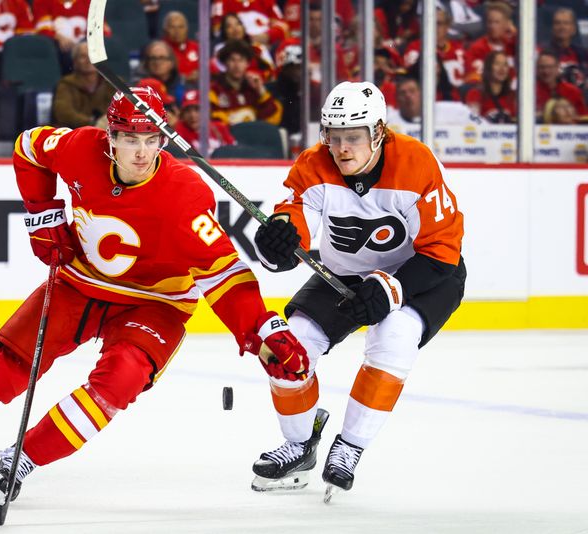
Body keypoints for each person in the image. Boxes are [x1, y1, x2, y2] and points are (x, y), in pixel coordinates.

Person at [0, 86, 310, 504]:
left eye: (150, 139)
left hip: (156, 304)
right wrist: (42, 216)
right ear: (109, 135)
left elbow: (226, 274)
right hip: (78, 284)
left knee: (117, 382)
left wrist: (262, 328)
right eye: (128, 138)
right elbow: (28, 148)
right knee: (0, 372)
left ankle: (23, 460)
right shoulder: (80, 147)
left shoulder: (186, 196)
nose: (140, 151)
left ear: (164, 139)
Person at [250, 81, 466, 497]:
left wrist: (392, 287)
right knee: (286, 349)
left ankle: (349, 446)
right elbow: (293, 218)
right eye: (334, 138)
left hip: (421, 275)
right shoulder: (313, 164)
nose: (342, 149)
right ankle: (300, 444)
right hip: (344, 275)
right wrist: (277, 241)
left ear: (379, 132)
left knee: (394, 338)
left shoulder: (416, 162)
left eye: (353, 138)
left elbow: (443, 250)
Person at [210, 39, 283, 126]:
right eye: (232, 60)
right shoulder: (214, 89)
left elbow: (273, 119)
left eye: (241, 60)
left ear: (247, 64)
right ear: (225, 63)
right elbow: (212, 121)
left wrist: (261, 90)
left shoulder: (253, 87)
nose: (237, 65)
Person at [51, 41, 115, 129]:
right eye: (83, 56)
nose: (88, 60)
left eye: (92, 55)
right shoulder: (66, 84)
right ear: (75, 62)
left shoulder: (112, 83)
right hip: (74, 133)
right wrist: (92, 122)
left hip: (108, 132)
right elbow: (63, 113)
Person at [173, 88, 236, 155]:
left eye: (197, 109)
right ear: (182, 114)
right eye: (188, 111)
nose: (193, 115)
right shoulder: (180, 131)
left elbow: (235, 151)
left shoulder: (219, 127)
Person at [535, 49, 588, 123]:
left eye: (550, 67)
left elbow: (584, 117)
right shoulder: (529, 91)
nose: (546, 71)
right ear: (536, 69)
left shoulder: (573, 91)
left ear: (558, 68)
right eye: (542, 67)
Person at [465, 50, 516, 123]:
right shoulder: (475, 94)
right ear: (488, 68)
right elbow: (473, 123)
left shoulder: (512, 96)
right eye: (497, 64)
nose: (502, 68)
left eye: (505, 64)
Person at [544, 7, 588, 91]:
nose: (562, 27)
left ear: (574, 29)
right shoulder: (542, 53)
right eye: (558, 23)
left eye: (566, 23)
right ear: (552, 28)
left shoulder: (583, 54)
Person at [162, 11, 199, 84]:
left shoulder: (197, 47)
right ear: (165, 30)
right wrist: (183, 79)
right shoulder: (160, 50)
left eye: (181, 27)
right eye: (172, 27)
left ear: (187, 29)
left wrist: (200, 74)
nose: (177, 31)